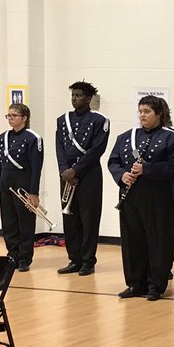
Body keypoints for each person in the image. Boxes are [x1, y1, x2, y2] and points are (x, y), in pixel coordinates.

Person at [107, 96, 174, 301]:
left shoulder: (171, 137)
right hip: (130, 196)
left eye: (147, 111)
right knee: (132, 240)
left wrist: (147, 169)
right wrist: (121, 175)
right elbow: (113, 161)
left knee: (158, 241)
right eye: (140, 111)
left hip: (157, 196)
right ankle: (135, 283)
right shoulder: (126, 136)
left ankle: (156, 285)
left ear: (159, 114)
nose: (142, 115)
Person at [55, 81, 110, 276]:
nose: (74, 99)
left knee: (89, 218)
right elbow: (59, 147)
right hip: (66, 174)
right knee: (70, 218)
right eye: (73, 95)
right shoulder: (63, 120)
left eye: (78, 95)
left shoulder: (100, 120)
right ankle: (74, 259)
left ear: (88, 99)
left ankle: (88, 261)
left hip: (89, 173)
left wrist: (76, 170)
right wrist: (64, 170)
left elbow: (97, 149)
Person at [0, 103, 44, 273]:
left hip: (23, 184)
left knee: (25, 223)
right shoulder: (2, 138)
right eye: (9, 115)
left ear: (24, 118)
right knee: (8, 222)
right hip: (5, 183)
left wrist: (34, 193)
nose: (10, 118)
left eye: (14, 115)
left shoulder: (33, 138)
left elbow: (36, 168)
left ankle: (24, 258)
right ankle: (12, 255)